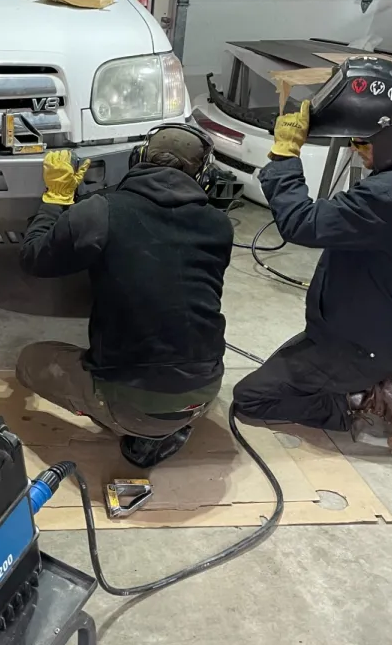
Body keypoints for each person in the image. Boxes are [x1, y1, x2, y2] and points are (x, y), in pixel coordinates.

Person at [17, 126, 234, 468]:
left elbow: (33, 257)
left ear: (138, 159)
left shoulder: (101, 211)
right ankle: (166, 422)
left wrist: (57, 200)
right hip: (206, 386)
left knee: (31, 360)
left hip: (132, 404)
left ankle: (137, 425)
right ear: (203, 175)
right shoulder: (219, 225)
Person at [233, 81, 392, 455]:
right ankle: (390, 371)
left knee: (252, 398)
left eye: (362, 143)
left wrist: (284, 155)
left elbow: (302, 222)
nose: (357, 153)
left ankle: (356, 402)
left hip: (365, 342)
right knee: (290, 366)